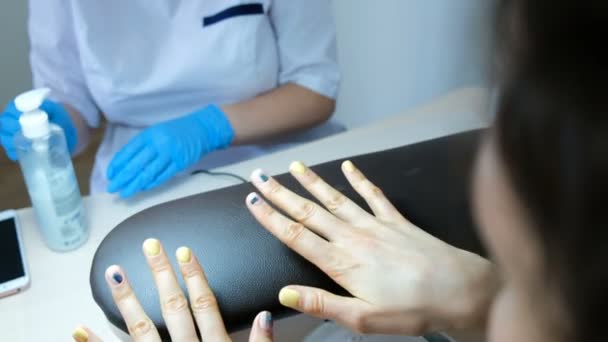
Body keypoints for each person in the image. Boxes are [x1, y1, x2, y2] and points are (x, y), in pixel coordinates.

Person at [75, 1, 608, 341]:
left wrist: (210, 126)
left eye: (504, 108)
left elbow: (315, 87)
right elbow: (67, 96)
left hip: (278, 149)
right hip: (132, 176)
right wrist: (484, 297)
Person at [0, 0, 341, 198]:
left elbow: (314, 90)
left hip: (276, 159)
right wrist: (54, 127)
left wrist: (210, 127)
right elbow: (73, 103)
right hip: (139, 177)